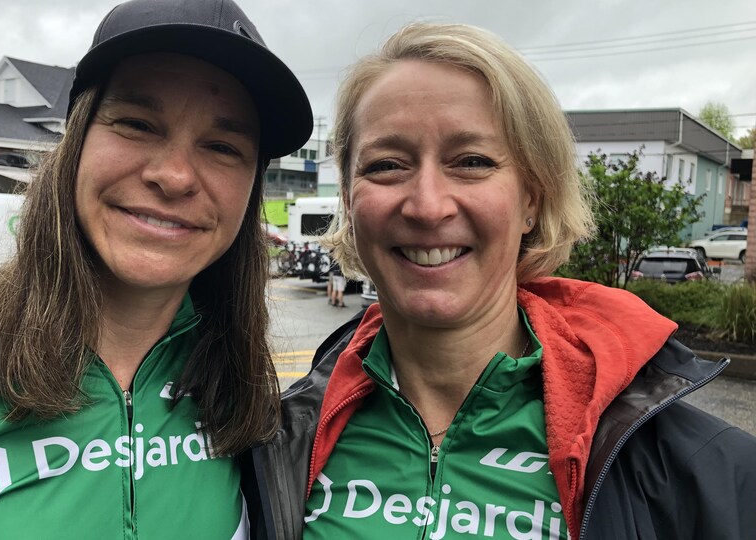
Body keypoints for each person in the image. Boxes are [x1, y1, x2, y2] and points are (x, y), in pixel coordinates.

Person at [0, 0, 312, 537]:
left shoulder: (241, 389)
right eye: (136, 123)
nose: (176, 175)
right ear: (75, 144)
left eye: (224, 146)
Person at [247, 23, 756, 540]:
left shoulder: (704, 473)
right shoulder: (277, 448)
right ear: (350, 202)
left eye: (471, 162)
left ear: (531, 199)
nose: (427, 205)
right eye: (387, 165)